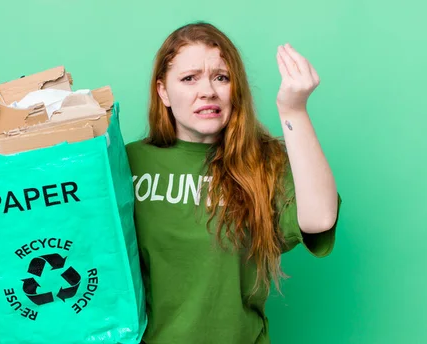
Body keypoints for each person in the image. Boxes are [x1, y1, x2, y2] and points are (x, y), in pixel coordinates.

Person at [126, 21, 342, 344]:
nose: (208, 91)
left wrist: (293, 111)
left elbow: (320, 218)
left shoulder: (264, 162)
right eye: (189, 78)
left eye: (221, 77)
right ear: (163, 92)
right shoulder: (128, 164)